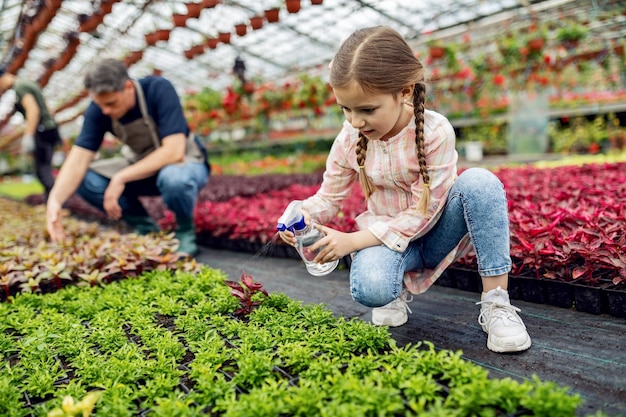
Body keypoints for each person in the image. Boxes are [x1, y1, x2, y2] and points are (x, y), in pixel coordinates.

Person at [277, 26, 531, 353]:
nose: (355, 121)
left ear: (405, 91)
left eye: (367, 109)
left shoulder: (434, 131)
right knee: (370, 289)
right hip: (391, 245)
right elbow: (329, 198)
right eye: (346, 109)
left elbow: (422, 213)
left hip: (438, 233)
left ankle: (497, 302)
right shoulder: (349, 138)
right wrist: (303, 214)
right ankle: (393, 290)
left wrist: (352, 241)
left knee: (480, 182)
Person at [46, 58, 210, 256]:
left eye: (111, 103)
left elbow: (173, 151)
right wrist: (54, 201)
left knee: (174, 179)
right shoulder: (98, 110)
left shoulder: (158, 89)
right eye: (101, 105)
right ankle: (147, 228)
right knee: (87, 179)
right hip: (140, 164)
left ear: (128, 86)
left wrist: (121, 177)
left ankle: (185, 231)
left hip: (184, 162)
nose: (105, 110)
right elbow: (79, 158)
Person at [0, 66, 63, 200]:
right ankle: (53, 201)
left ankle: (55, 202)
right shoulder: (27, 83)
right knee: (45, 168)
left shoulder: (20, 87)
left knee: (43, 170)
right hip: (49, 129)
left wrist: (29, 135)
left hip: (43, 131)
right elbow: (47, 108)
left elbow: (33, 110)